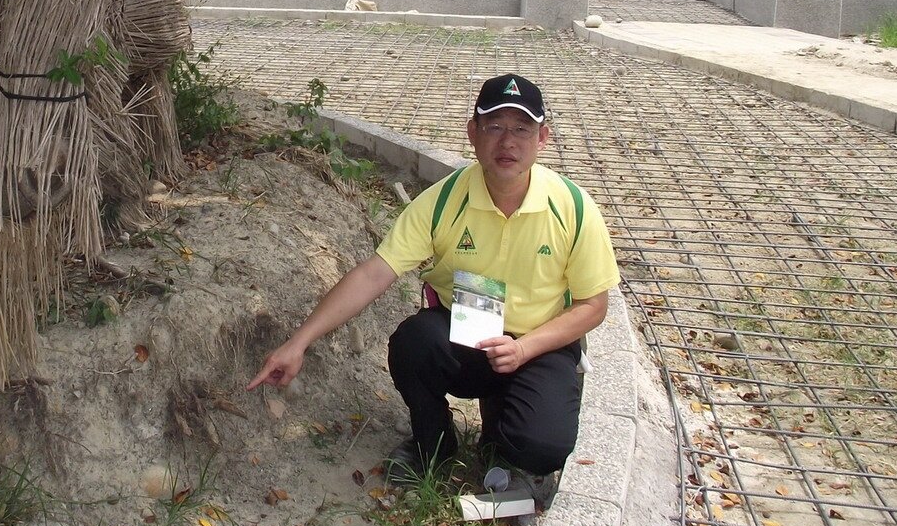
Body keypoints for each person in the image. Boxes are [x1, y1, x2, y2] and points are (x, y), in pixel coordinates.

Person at [247, 73, 619, 483]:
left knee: (542, 447)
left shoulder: (573, 206)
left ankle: (502, 431)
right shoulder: (443, 200)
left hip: (541, 339)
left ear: (542, 137)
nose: (507, 142)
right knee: (414, 342)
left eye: (522, 129)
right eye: (494, 127)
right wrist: (298, 342)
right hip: (470, 327)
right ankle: (433, 446)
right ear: (472, 133)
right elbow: (375, 273)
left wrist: (525, 348)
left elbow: (592, 306)